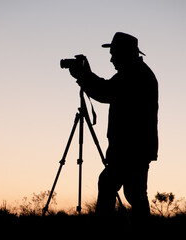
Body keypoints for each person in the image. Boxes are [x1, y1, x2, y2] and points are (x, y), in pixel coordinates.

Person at [69, 32, 158, 224]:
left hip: (131, 148)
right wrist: (86, 76)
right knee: (134, 193)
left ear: (125, 53)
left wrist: (83, 76)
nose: (111, 59)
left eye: (114, 54)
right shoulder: (136, 73)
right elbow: (108, 90)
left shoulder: (134, 75)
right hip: (136, 148)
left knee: (113, 185)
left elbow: (105, 92)